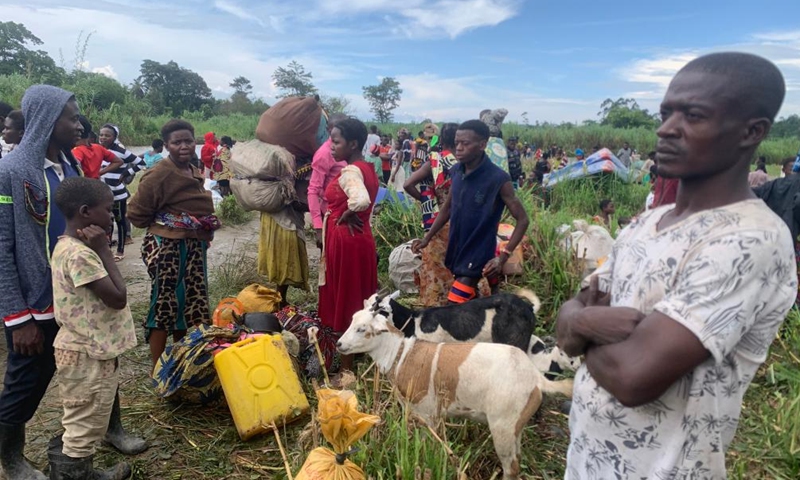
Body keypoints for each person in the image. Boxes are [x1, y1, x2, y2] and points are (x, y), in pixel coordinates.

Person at [556, 52, 795, 480]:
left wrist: (581, 323)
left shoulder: (748, 239)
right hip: (587, 459)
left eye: (694, 115)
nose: (666, 128)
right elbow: (565, 332)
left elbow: (633, 378)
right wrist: (587, 318)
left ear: (752, 131)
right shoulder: (645, 223)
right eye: (666, 113)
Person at [0, 85, 145, 480]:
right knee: (25, 381)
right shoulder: (11, 173)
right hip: (38, 302)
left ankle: (107, 432)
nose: (79, 123)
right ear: (46, 120)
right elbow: (2, 247)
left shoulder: (72, 169)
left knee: (101, 366)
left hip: (82, 298)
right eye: (70, 116)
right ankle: (12, 459)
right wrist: (18, 317)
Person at [48, 177, 135, 480]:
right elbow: (118, 297)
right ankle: (75, 474)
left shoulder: (65, 246)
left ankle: (78, 471)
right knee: (85, 425)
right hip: (87, 353)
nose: (113, 216)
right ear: (86, 212)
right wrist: (105, 249)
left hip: (81, 348)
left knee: (81, 417)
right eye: (108, 210)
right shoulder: (83, 254)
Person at [127, 119, 218, 369]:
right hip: (169, 248)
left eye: (188, 140)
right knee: (164, 307)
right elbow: (136, 213)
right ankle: (159, 371)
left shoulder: (192, 169)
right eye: (177, 142)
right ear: (167, 145)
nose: (184, 146)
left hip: (193, 246)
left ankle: (179, 364)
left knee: (190, 305)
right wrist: (167, 224)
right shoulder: (160, 173)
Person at [413, 120, 529, 303]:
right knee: (470, 304)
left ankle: (492, 299)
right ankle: (493, 303)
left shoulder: (498, 179)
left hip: (478, 253)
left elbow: (523, 220)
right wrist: (427, 238)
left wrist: (504, 256)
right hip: (457, 248)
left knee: (454, 305)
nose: (458, 148)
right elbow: (448, 208)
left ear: (482, 145)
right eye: (457, 142)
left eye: (465, 144)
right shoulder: (457, 171)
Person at [317, 118, 379, 375]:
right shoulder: (367, 167)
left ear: (352, 144)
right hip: (360, 238)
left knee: (346, 298)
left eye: (336, 140)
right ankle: (365, 354)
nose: (331, 145)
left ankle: (346, 368)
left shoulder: (351, 171)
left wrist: (347, 212)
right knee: (359, 295)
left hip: (345, 241)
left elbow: (361, 199)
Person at [404, 123, 466, 306]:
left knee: (437, 267)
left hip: (437, 222)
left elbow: (408, 184)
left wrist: (427, 201)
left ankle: (437, 306)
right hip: (461, 221)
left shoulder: (434, 161)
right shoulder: (463, 163)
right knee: (463, 267)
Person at [98, 124, 144, 258]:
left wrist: (125, 173)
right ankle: (107, 250)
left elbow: (141, 163)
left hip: (117, 193)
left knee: (120, 221)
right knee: (106, 221)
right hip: (101, 193)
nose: (103, 138)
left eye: (107, 135)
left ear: (114, 137)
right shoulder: (97, 149)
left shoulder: (121, 151)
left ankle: (120, 250)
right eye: (101, 135)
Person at [309, 114, 348, 248]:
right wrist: (318, 227)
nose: (342, 132)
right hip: (330, 214)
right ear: (328, 129)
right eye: (337, 128)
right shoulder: (324, 154)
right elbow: (313, 190)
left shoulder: (347, 150)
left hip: (346, 213)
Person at [72, 116, 123, 180]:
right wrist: (99, 173)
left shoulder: (77, 150)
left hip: (83, 185)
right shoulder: (98, 147)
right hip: (96, 183)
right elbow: (118, 161)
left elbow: (74, 165)